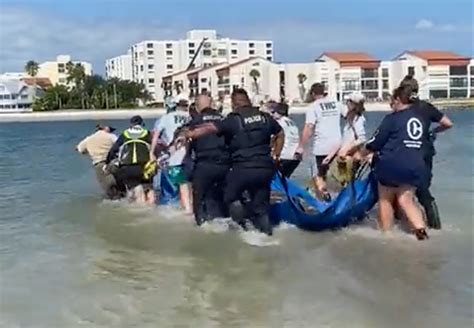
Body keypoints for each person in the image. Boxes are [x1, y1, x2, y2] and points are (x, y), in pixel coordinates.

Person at [181, 88, 284, 235]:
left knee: (229, 197)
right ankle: (266, 234)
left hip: (242, 168)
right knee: (261, 207)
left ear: (234, 103)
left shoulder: (234, 119)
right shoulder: (265, 117)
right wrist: (276, 154)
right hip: (265, 168)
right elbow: (280, 133)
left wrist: (192, 133)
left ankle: (244, 227)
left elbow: (211, 128)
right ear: (248, 100)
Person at [363, 85, 429, 240]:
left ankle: (387, 236)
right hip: (416, 165)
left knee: (385, 198)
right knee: (406, 199)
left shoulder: (393, 118)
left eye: (393, 100)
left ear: (398, 100)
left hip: (392, 165)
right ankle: (421, 232)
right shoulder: (420, 118)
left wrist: (361, 153)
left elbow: (376, 141)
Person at [399, 75, 453, 229]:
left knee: (401, 190)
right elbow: (448, 123)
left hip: (407, 151)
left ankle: (406, 225)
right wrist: (433, 131)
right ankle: (435, 227)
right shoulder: (426, 107)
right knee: (423, 191)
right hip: (426, 151)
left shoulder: (403, 107)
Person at [295, 82, 345, 201]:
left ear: (313, 94)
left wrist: (301, 146)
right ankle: (345, 199)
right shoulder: (337, 104)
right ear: (324, 92)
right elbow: (350, 116)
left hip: (321, 148)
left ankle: (324, 198)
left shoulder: (313, 107)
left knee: (319, 176)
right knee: (342, 177)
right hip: (338, 146)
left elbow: (309, 128)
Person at [188, 93, 231, 225]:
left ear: (197, 106)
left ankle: (201, 225)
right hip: (224, 164)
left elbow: (188, 142)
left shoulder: (195, 121)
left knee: (199, 197)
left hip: (204, 164)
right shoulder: (223, 119)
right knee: (221, 196)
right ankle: (224, 222)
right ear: (212, 104)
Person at [150, 93, 192, 212]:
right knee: (187, 188)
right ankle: (188, 211)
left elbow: (155, 136)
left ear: (175, 104)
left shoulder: (166, 117)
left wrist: (152, 152)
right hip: (189, 159)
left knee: (170, 192)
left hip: (172, 158)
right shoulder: (191, 117)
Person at [106, 115, 155, 205]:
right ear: (142, 124)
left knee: (134, 189)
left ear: (131, 124)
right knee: (148, 187)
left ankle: (137, 206)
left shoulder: (125, 134)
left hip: (127, 166)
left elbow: (113, 150)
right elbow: (155, 147)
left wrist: (107, 162)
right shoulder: (147, 133)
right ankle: (149, 205)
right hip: (144, 166)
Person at [329, 93, 368, 186]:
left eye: (348, 102)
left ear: (353, 104)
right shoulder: (352, 117)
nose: (346, 104)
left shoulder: (358, 119)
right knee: (343, 180)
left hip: (350, 156)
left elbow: (362, 138)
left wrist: (346, 149)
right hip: (347, 155)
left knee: (347, 180)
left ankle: (348, 195)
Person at [76, 124, 122, 199]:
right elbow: (120, 145)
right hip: (114, 163)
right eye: (110, 129)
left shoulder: (89, 139)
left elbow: (79, 149)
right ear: (106, 129)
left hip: (99, 165)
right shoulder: (111, 136)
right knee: (122, 188)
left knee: (110, 192)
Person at [270, 102, 301, 178]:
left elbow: (273, 138)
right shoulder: (292, 122)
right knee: (285, 178)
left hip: (284, 156)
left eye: (273, 112)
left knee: (274, 177)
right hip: (295, 157)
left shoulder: (278, 122)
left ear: (278, 113)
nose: (272, 115)